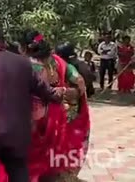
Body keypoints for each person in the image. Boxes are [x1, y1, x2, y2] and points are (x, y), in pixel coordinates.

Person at [0, 25, 65, 182]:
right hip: (18, 131)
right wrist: (58, 94)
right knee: (18, 171)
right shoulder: (23, 63)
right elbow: (44, 90)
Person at [14, 30, 90, 181]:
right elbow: (80, 83)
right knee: (52, 156)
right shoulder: (58, 61)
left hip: (32, 118)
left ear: (24, 48)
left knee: (30, 159)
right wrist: (65, 91)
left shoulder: (23, 65)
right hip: (57, 116)